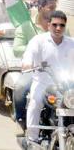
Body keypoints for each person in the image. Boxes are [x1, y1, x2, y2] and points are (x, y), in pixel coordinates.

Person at [22, 11, 74, 145]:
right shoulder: (38, 41)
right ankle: (32, 138)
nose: (58, 28)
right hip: (43, 82)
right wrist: (28, 64)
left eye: (61, 25)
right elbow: (28, 56)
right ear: (49, 25)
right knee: (35, 102)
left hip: (66, 85)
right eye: (55, 24)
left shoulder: (71, 43)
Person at [12, 0, 57, 126]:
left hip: (56, 70)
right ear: (40, 7)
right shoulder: (26, 26)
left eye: (55, 7)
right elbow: (16, 49)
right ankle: (20, 115)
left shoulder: (59, 26)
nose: (54, 10)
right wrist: (37, 50)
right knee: (21, 87)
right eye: (51, 8)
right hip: (34, 69)